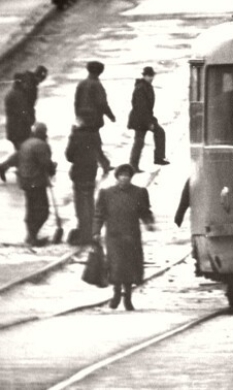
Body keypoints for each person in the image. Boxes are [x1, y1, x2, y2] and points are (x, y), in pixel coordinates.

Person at [92, 164, 155, 310]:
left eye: (127, 175)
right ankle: (115, 295)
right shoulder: (106, 194)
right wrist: (96, 231)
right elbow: (99, 214)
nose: (124, 178)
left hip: (132, 236)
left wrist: (149, 222)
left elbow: (145, 211)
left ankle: (127, 297)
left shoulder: (139, 192)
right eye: (121, 175)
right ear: (117, 177)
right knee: (115, 267)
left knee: (130, 267)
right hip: (114, 236)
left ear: (130, 178)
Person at [17, 122, 56, 246]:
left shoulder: (25, 143)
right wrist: (52, 168)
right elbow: (46, 163)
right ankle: (32, 237)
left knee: (31, 209)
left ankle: (30, 236)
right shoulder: (41, 145)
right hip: (37, 182)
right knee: (43, 211)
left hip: (26, 183)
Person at [65, 114, 101, 245]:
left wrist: (72, 134)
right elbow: (98, 152)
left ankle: (84, 234)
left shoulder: (76, 135)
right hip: (91, 172)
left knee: (80, 205)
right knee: (90, 202)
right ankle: (91, 232)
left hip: (79, 173)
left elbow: (69, 156)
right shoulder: (95, 134)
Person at [74, 61, 115, 174]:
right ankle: (102, 165)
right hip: (93, 120)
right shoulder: (97, 85)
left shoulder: (82, 84)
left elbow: (76, 102)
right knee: (94, 142)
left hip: (83, 119)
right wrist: (110, 116)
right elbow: (102, 103)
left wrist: (78, 116)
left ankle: (104, 163)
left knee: (90, 141)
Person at [127, 66, 169, 172]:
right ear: (144, 76)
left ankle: (156, 159)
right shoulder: (141, 87)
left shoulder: (146, 86)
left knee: (146, 139)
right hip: (140, 119)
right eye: (149, 76)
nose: (151, 78)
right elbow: (142, 108)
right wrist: (149, 123)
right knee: (140, 141)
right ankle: (134, 165)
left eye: (152, 76)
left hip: (143, 117)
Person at [0, 74, 35, 183]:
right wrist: (31, 121)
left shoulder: (13, 93)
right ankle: (5, 167)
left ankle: (17, 171)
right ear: (21, 83)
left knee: (22, 152)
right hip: (19, 131)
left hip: (15, 130)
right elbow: (23, 113)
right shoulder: (18, 95)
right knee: (24, 152)